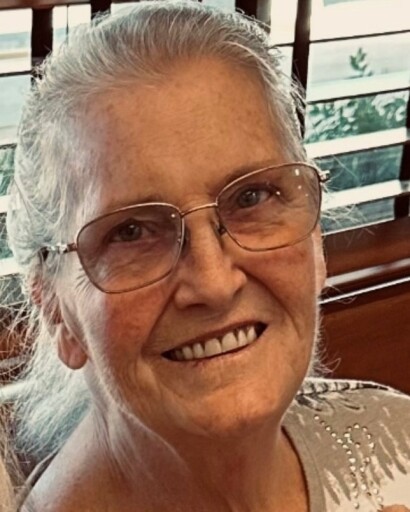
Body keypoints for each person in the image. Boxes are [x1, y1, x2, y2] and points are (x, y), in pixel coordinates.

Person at [4, 1, 409, 511]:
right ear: (55, 311)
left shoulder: (396, 441)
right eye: (131, 232)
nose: (214, 284)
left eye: (252, 197)